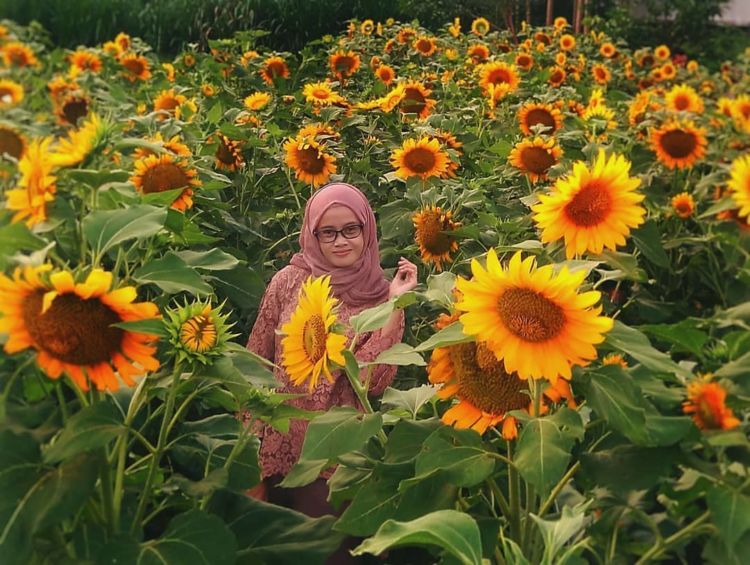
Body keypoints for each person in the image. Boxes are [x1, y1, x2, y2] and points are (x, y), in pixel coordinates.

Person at [245, 182, 418, 517]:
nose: (341, 241)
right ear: (313, 235)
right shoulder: (289, 281)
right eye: (328, 232)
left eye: (351, 229)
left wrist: (396, 304)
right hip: (277, 451)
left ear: (367, 231)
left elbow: (373, 382)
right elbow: (255, 366)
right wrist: (247, 453)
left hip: (336, 463)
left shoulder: (383, 299)